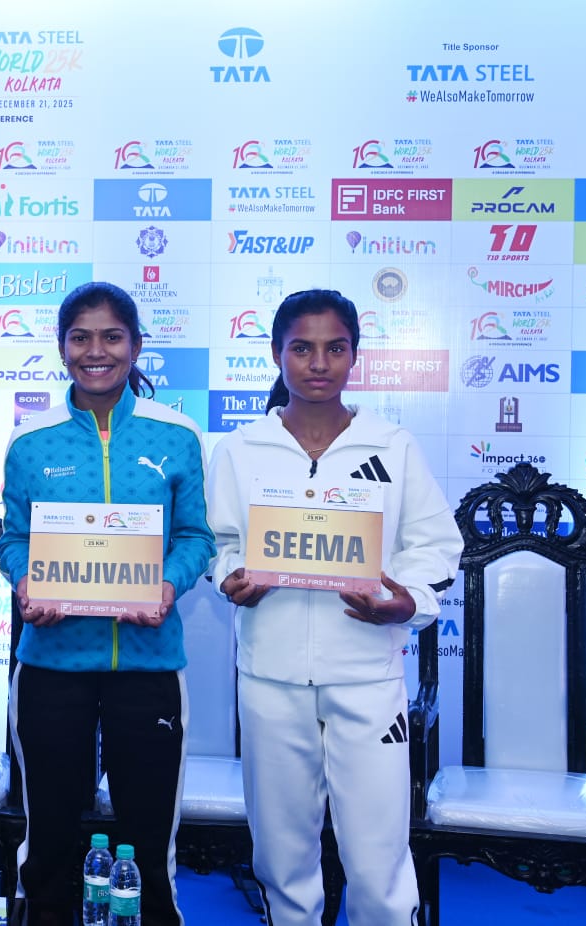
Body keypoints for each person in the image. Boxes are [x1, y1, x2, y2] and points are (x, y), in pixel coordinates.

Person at [205, 289, 462, 926]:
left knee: (378, 859)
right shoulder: (241, 449)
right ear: (276, 354)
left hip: (368, 678)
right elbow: (220, 542)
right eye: (302, 348)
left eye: (335, 348)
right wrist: (230, 574)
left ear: (354, 355)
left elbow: (435, 546)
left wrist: (406, 602)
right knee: (281, 855)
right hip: (270, 678)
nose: (318, 363)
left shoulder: (393, 445)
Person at [0, 281, 215, 926]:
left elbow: (196, 536)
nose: (96, 351)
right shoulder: (30, 442)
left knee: (148, 842)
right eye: (81, 337)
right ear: (62, 346)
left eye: (112, 337)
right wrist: (26, 582)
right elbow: (12, 540)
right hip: (51, 665)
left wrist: (167, 585)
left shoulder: (177, 435)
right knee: (49, 842)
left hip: (148, 665)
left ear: (136, 345)